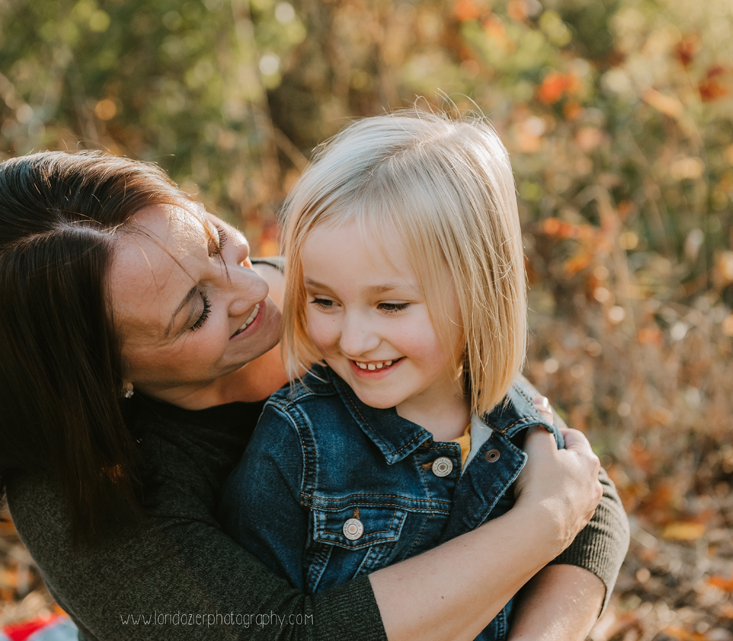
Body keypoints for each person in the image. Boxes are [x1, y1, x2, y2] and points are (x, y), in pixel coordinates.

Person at [0, 150, 628, 641]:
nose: (254, 290)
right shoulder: (76, 484)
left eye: (215, 241)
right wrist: (537, 527)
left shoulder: (339, 303)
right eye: (196, 310)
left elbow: (575, 489)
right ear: (102, 379)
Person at [219, 111, 593, 640]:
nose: (352, 340)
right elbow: (255, 620)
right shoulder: (297, 440)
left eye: (391, 305)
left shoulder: (521, 430)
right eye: (324, 300)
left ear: (480, 292)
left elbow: (574, 541)